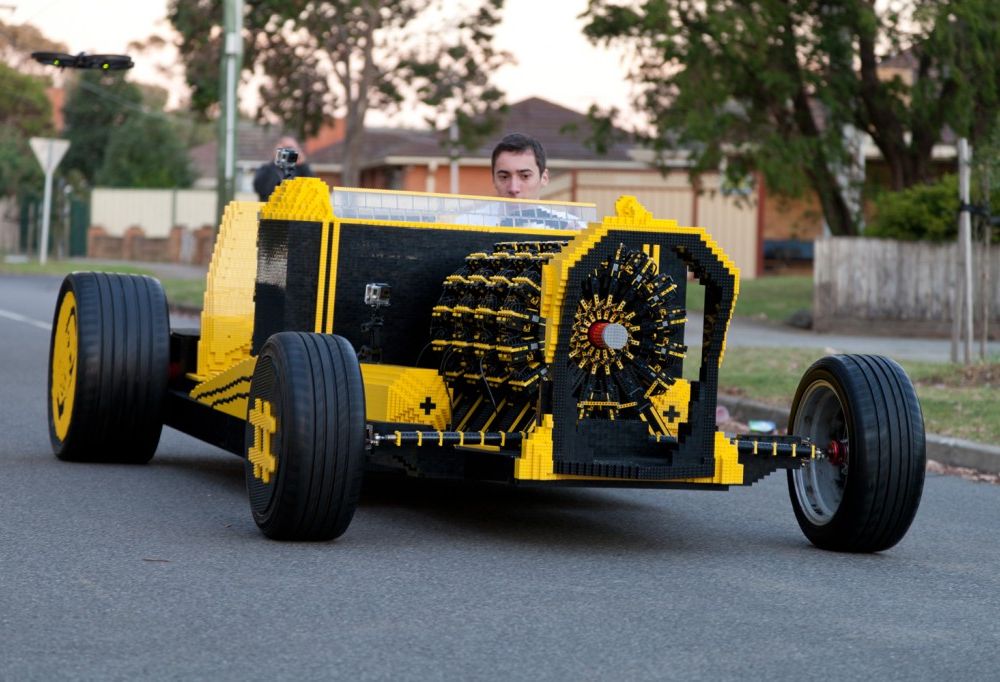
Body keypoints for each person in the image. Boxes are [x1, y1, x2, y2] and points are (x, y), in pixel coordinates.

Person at [253, 136, 314, 201]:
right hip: (270, 207)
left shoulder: (300, 170)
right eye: (287, 148)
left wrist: (303, 164)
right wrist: (277, 160)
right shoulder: (266, 169)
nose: (289, 151)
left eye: (293, 149)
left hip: (292, 208)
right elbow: (260, 188)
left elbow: (311, 188)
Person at [491, 133, 549, 200]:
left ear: (544, 178)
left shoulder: (562, 210)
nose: (513, 189)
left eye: (525, 176)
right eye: (504, 177)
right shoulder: (477, 211)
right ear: (493, 179)